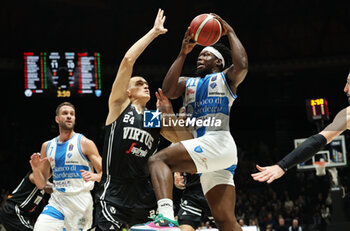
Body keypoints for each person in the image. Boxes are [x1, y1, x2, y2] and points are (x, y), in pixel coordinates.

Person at [133, 13, 248, 231]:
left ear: (219, 62)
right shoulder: (189, 83)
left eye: (206, 55)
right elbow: (168, 90)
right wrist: (182, 53)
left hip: (218, 142)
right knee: (225, 221)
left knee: (157, 160)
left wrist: (230, 31)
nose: (200, 57)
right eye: (199, 54)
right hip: (212, 155)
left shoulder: (226, 78)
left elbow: (241, 66)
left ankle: (165, 215)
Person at [92, 9, 168, 231]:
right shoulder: (119, 106)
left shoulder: (153, 117)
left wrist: (170, 115)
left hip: (144, 192)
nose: (146, 85)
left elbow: (180, 139)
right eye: (139, 83)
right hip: (114, 191)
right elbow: (127, 60)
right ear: (127, 92)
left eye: (147, 84)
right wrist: (154, 33)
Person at [251, 71, 350, 184]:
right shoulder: (347, 115)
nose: (345, 89)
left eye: (349, 83)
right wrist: (282, 165)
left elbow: (317, 141)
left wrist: (282, 166)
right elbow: (317, 141)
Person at [29, 102, 102, 230]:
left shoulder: (85, 143)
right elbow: (41, 184)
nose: (69, 116)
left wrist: (95, 176)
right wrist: (35, 169)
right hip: (58, 201)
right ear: (57, 119)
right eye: (65, 113)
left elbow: (106, 174)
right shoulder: (47, 146)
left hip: (80, 203)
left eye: (72, 114)